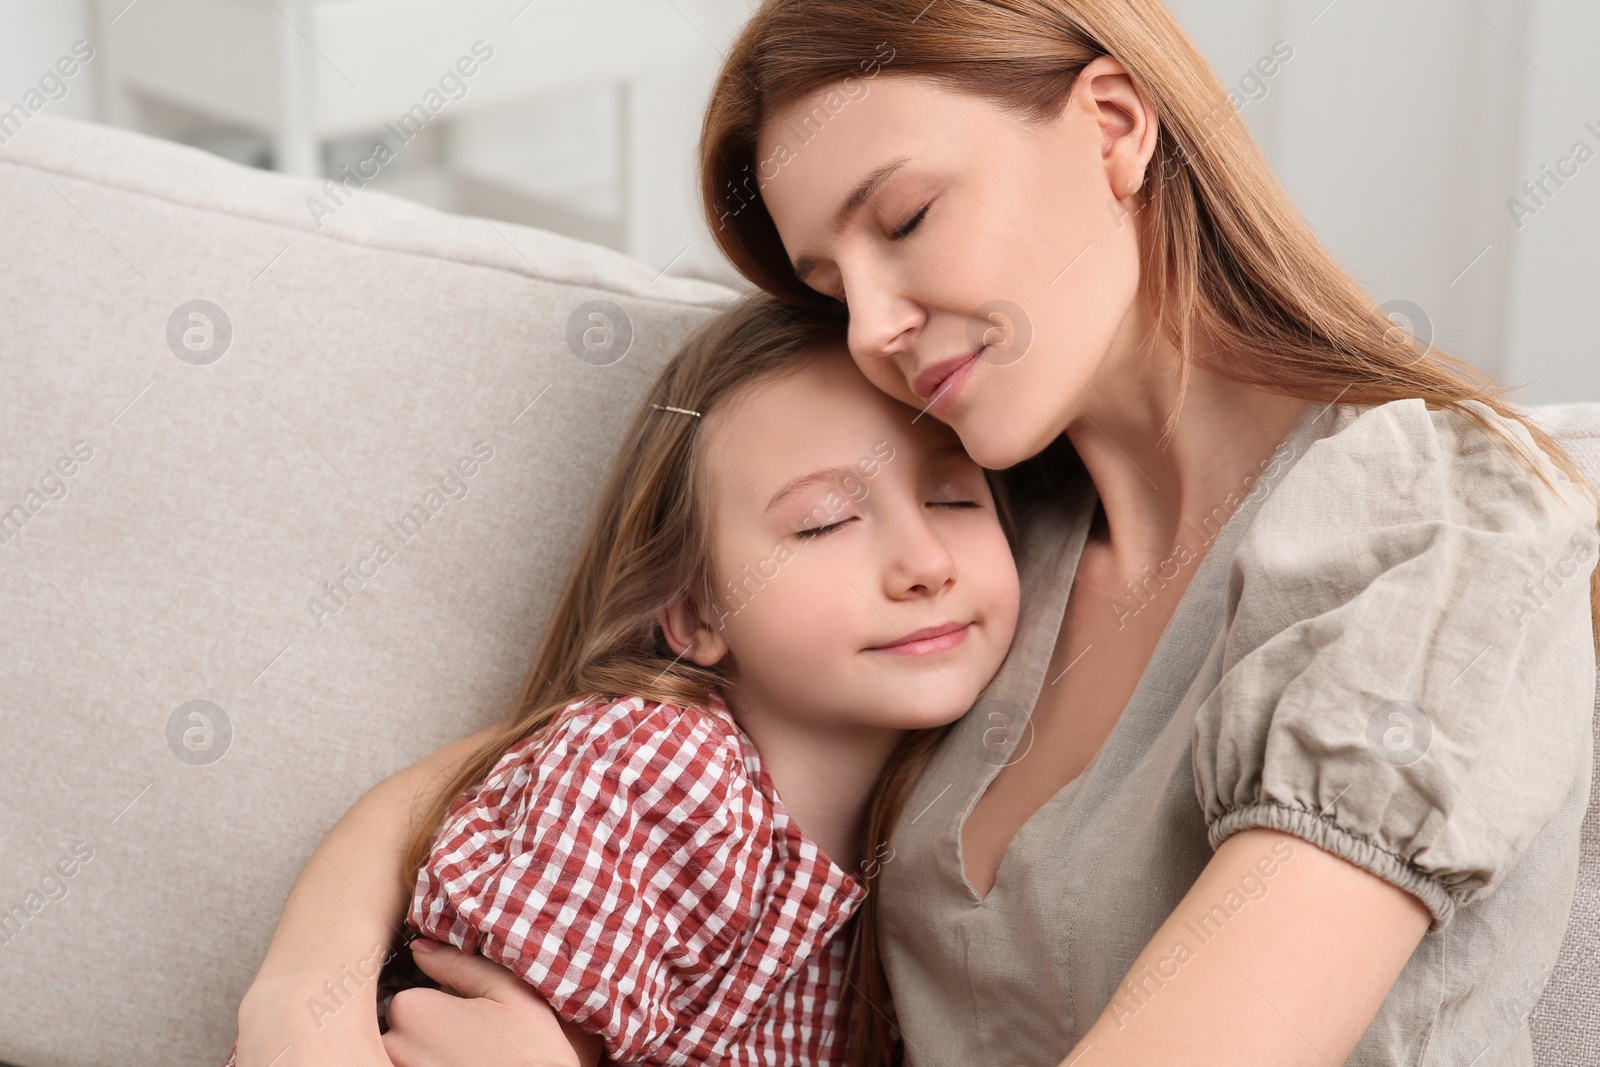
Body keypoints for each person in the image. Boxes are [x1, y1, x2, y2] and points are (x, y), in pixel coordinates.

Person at [235, 1, 1600, 1065]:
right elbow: (605, 732)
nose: (874, 326)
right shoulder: (997, 539)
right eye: (832, 282)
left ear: (1115, 122)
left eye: (906, 218)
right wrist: (309, 980)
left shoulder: (1448, 524)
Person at [228, 291, 1023, 1067]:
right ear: (693, 612)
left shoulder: (914, 848)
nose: (925, 563)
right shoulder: (662, 767)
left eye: (953, 496)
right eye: (824, 521)